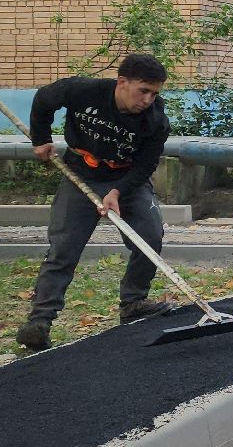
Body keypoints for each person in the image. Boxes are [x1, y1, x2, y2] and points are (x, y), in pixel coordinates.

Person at [17, 54, 173, 352]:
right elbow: (43, 100)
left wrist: (118, 192)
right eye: (144, 90)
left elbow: (146, 164)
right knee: (63, 249)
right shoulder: (83, 91)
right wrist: (40, 139)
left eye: (155, 93)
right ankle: (39, 322)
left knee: (149, 238)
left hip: (126, 178)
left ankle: (133, 302)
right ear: (122, 82)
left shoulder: (155, 120)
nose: (148, 99)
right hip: (80, 173)